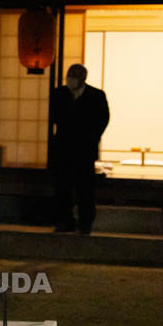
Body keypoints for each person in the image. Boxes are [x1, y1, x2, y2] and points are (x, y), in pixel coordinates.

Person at [49, 64, 109, 234]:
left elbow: (103, 119)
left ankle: (85, 223)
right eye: (69, 76)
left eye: (74, 77)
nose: (71, 80)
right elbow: (53, 117)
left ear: (83, 79)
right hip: (63, 147)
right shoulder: (58, 94)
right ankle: (64, 221)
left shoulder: (96, 95)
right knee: (62, 187)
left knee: (85, 188)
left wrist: (92, 137)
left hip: (85, 148)